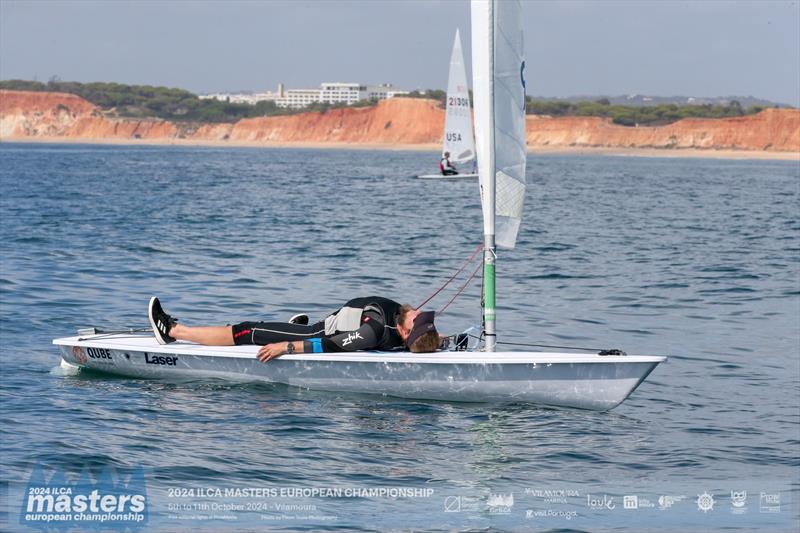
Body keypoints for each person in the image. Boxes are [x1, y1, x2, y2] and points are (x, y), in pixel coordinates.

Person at [148, 296, 442, 362]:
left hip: (317, 335)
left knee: (247, 331)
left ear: (405, 333)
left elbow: (330, 345)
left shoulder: (374, 331)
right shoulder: (401, 321)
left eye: (417, 320)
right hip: (330, 324)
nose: (417, 313)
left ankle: (173, 331)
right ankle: (289, 329)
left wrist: (285, 347)